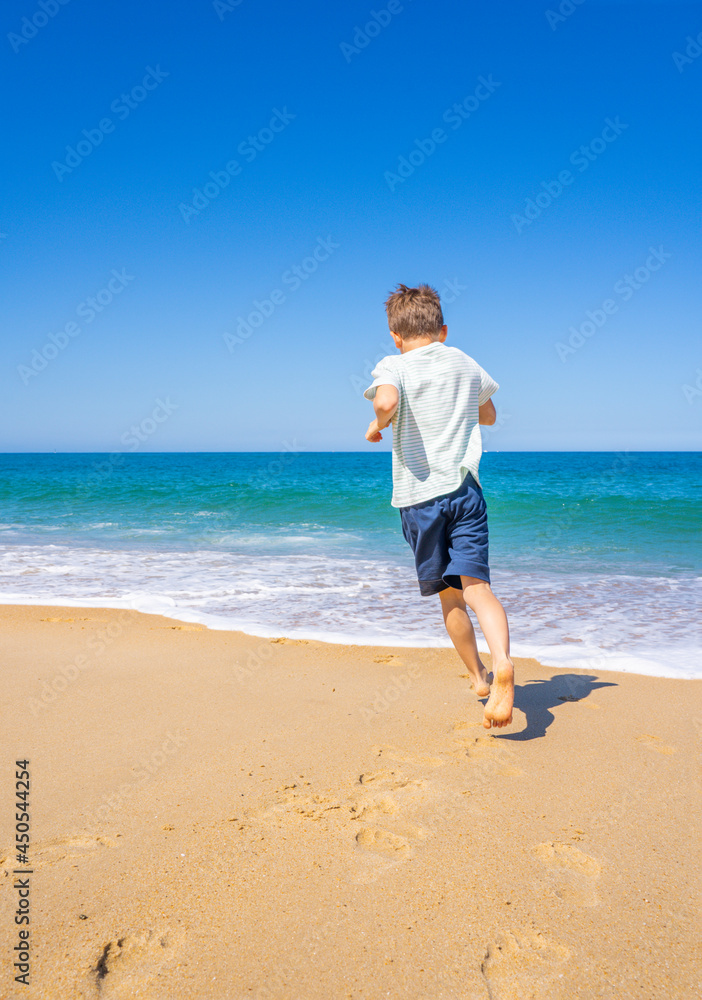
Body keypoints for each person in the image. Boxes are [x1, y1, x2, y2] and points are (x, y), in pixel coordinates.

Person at [364, 283, 514, 729]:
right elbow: (489, 415)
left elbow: (387, 400)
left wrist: (377, 424)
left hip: (418, 497)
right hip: (465, 489)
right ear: (442, 329)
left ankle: (480, 678)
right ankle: (502, 660)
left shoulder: (394, 364)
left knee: (450, 598)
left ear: (395, 335)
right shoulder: (464, 361)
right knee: (477, 587)